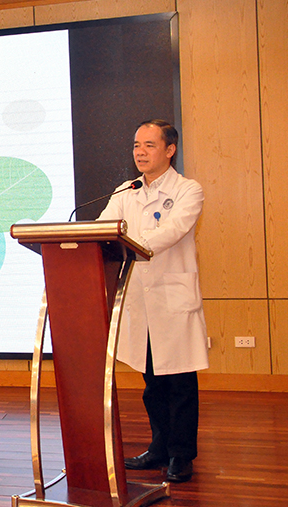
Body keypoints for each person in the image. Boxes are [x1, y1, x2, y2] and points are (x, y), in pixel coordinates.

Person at [97, 119, 208, 484]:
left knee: (179, 383)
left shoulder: (188, 190)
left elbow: (172, 231)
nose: (140, 153)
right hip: (139, 302)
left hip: (172, 299)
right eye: (136, 145)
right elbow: (102, 228)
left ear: (169, 150)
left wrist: (132, 242)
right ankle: (159, 448)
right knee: (152, 385)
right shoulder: (125, 191)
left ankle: (181, 455)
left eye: (149, 145)